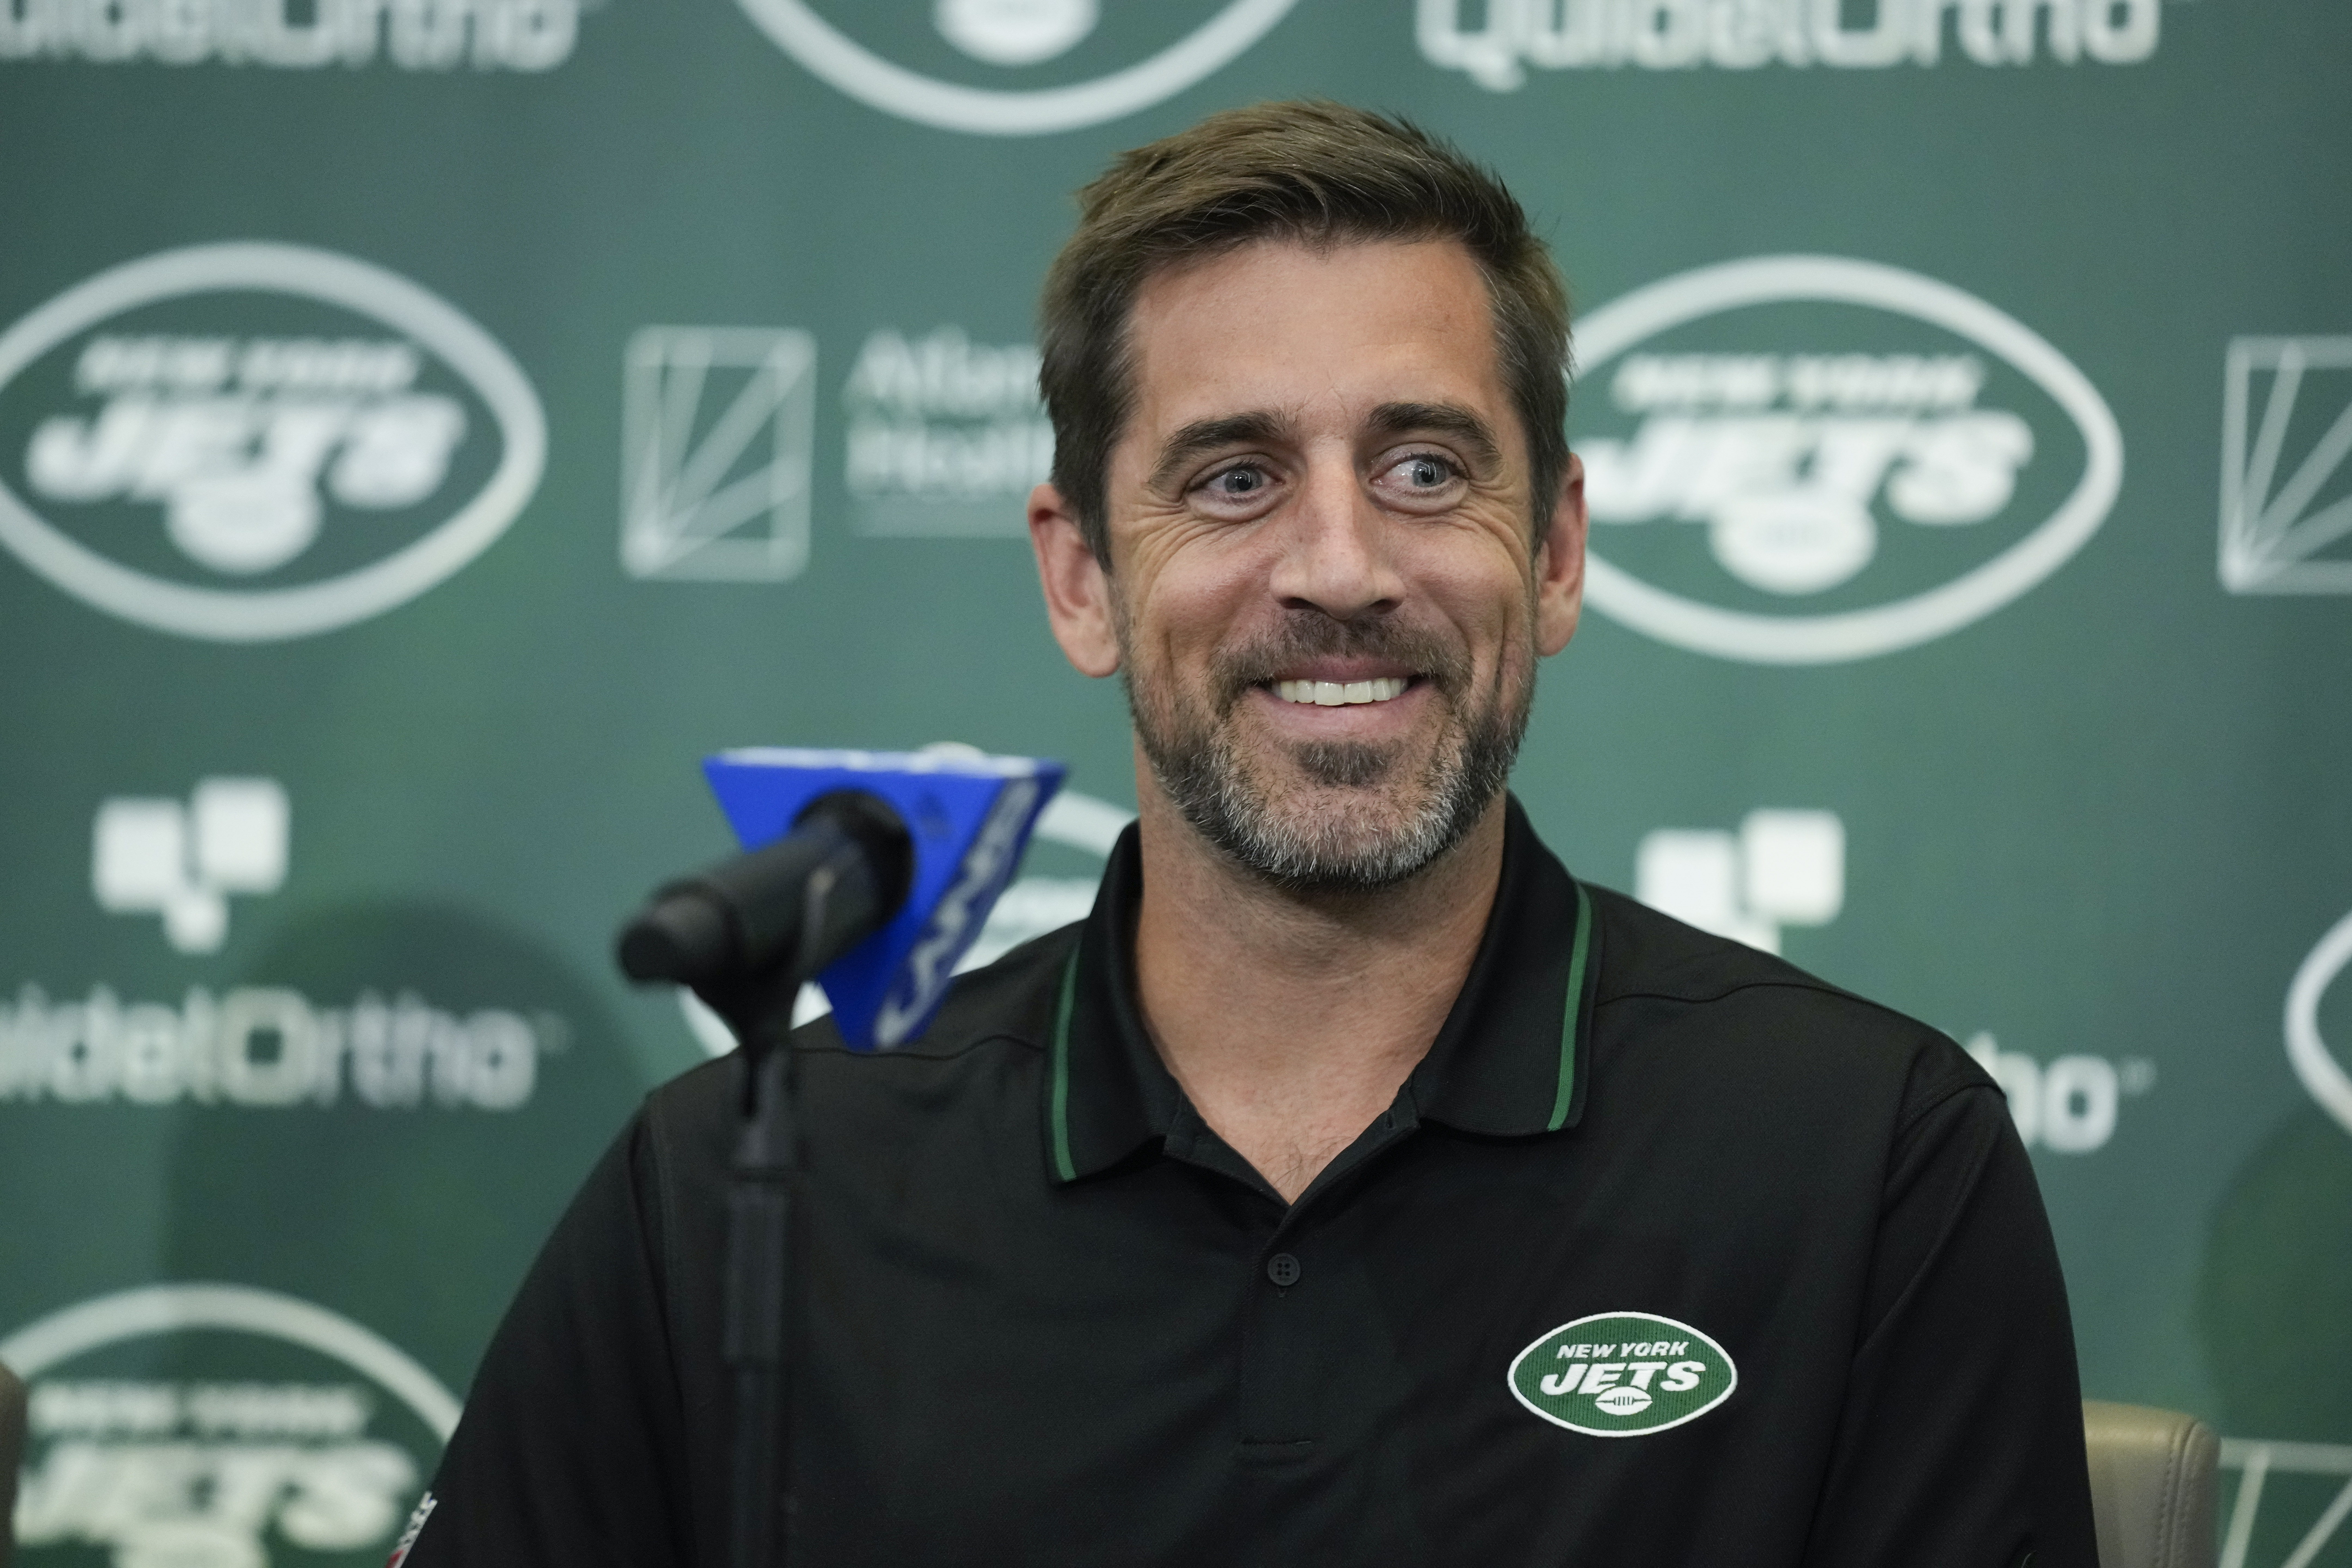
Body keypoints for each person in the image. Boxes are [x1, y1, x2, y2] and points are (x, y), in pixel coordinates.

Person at [401, 102, 2097, 1566]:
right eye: (1234, 478)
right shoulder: (743, 1192)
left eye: (1424, 469)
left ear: (1557, 552)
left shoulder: (1863, 1160)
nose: (1341, 568)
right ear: (1082, 576)